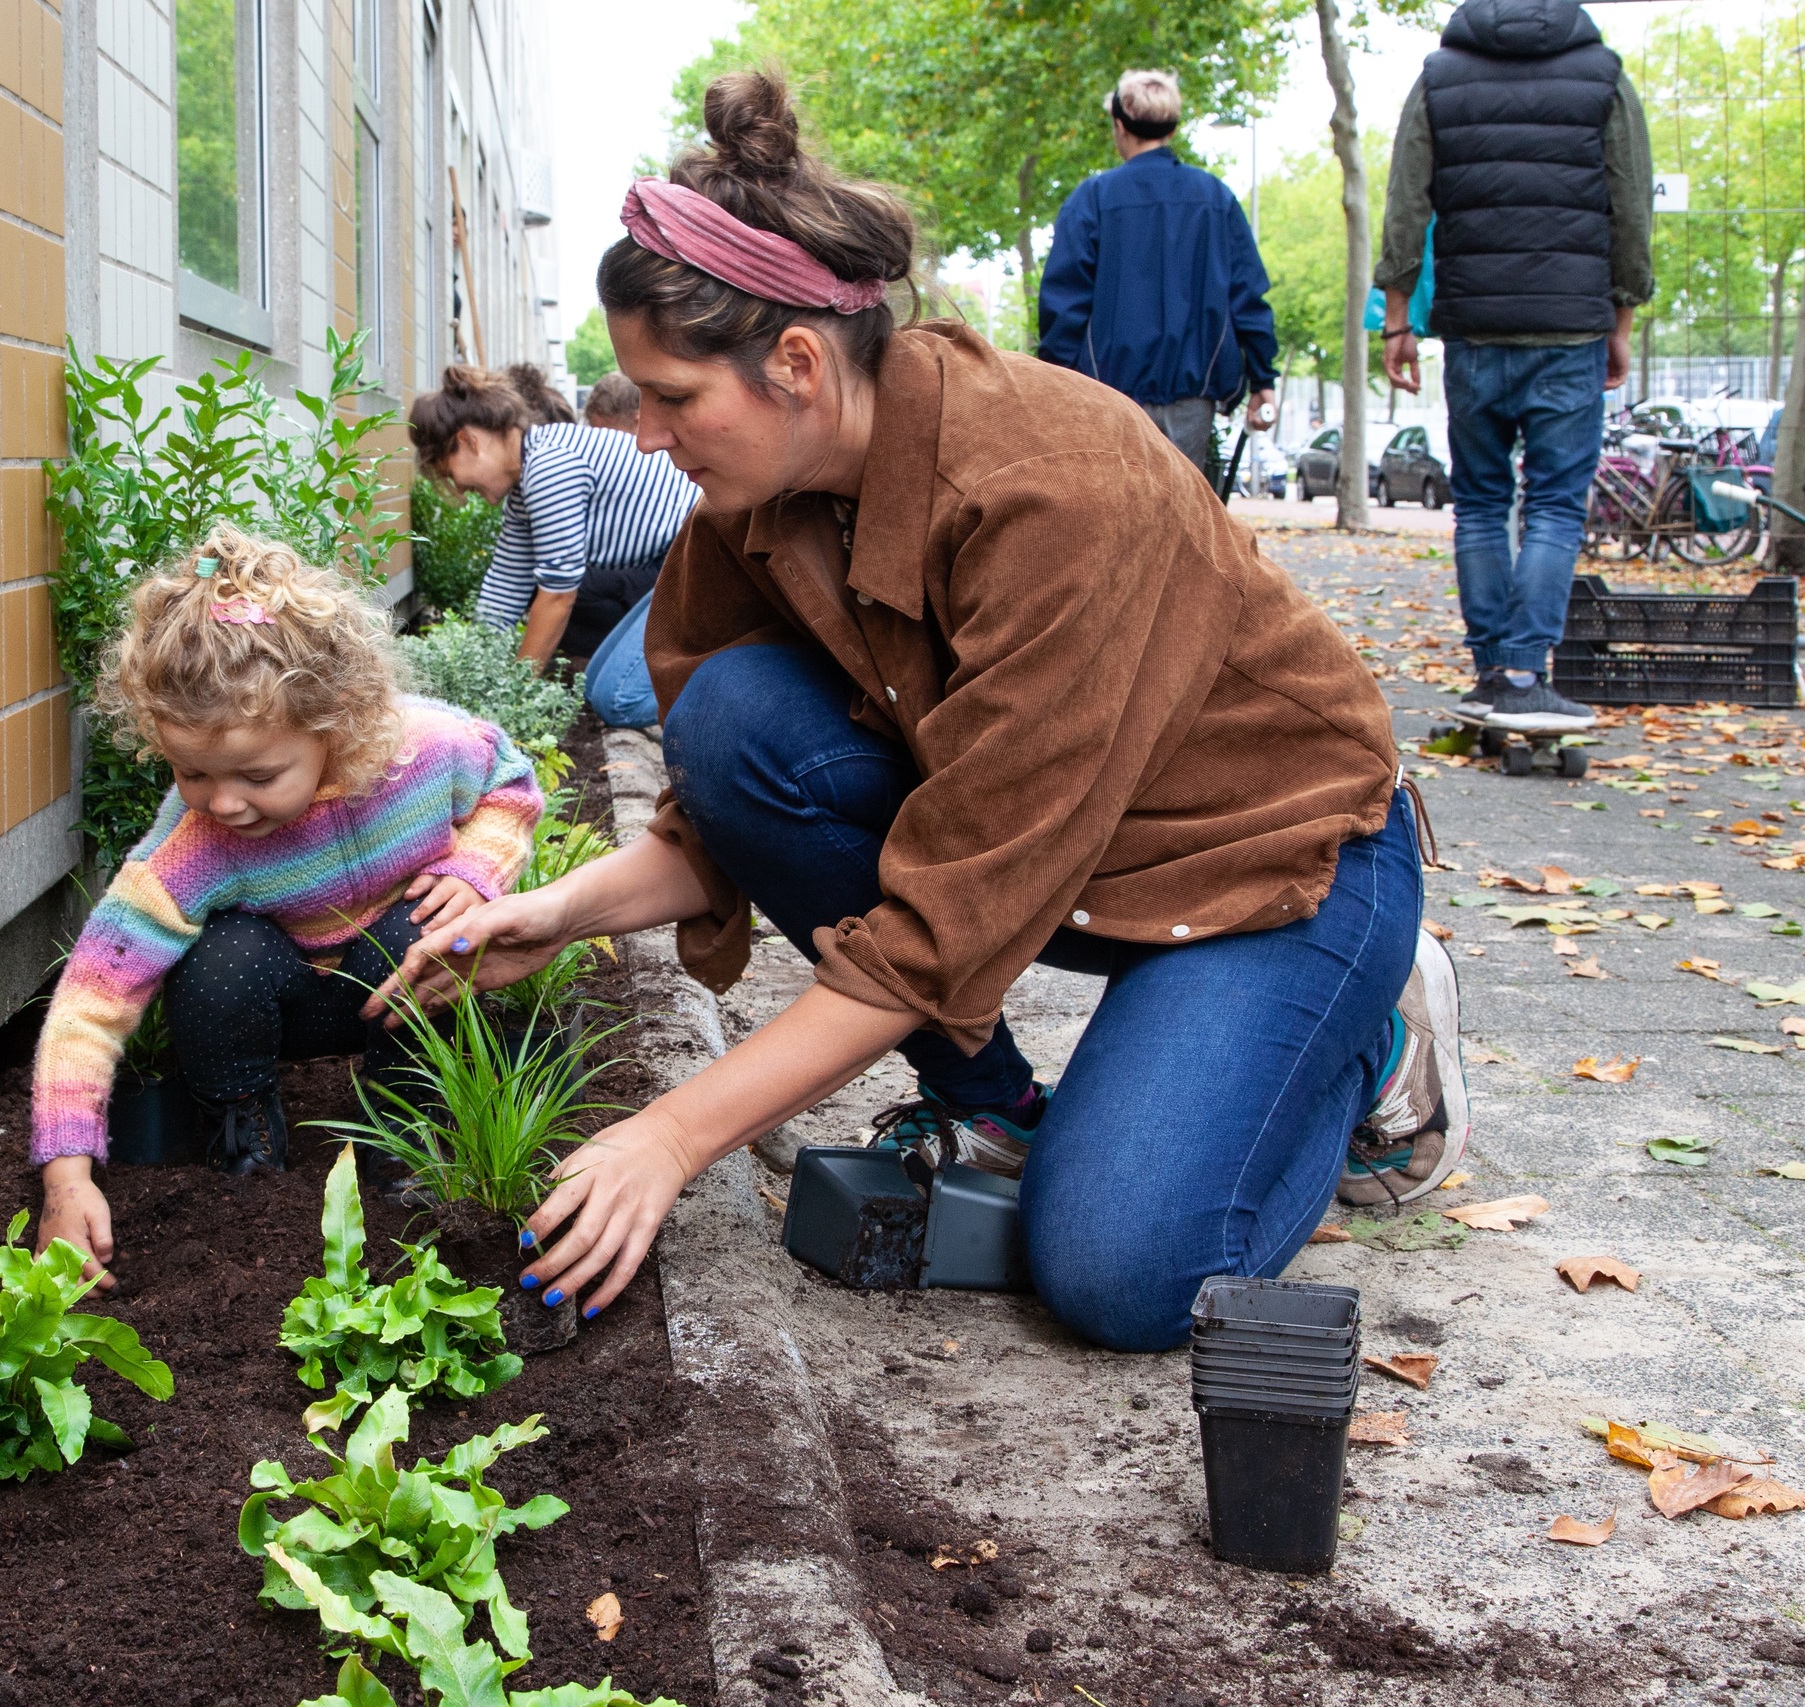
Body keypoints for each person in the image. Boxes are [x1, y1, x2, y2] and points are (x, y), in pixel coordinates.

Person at [372, 71, 1470, 1354]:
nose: (647, 438)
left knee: (1122, 1274)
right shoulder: (752, 496)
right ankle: (1000, 1108)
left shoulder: (1054, 490)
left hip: (1273, 867)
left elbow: (949, 917)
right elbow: (725, 809)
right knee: (730, 718)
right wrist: (555, 917)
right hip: (1064, 864)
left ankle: (1365, 1039)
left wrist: (670, 1133)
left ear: (793, 363)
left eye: (673, 399)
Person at [28, 526, 543, 1281]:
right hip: (276, 1000)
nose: (225, 802)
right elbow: (94, 994)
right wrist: (66, 1179)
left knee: (431, 923)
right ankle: (246, 1140)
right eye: (192, 772)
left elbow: (510, 784)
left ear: (333, 720)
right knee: (216, 954)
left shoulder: (424, 751)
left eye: (258, 775)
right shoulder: (195, 839)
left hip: (394, 976)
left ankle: (404, 1128)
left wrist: (477, 867)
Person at [1380, 0, 1652, 735]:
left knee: (1478, 501)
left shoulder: (1439, 77)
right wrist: (1622, 318)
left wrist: (1398, 317)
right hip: (1571, 327)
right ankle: (1528, 673)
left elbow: (1407, 200)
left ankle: (1492, 671)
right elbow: (1630, 206)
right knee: (1556, 503)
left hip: (1473, 328)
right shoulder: (1604, 76)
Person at [408, 365, 698, 730]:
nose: (461, 490)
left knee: (618, 699)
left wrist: (512, 700)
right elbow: (504, 587)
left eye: (451, 474)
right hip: (669, 561)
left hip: (702, 554)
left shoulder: (548, 467)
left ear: (468, 441)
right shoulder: (526, 479)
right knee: (593, 683)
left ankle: (722, 680)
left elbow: (558, 595)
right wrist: (474, 669)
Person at [1036, 69, 1279, 479]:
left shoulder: (1093, 200)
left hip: (1107, 397)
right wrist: (1262, 379)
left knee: (1115, 517)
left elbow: (1063, 305)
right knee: (1182, 520)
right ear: (1173, 128)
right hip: (1193, 396)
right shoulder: (1215, 199)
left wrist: (1053, 386)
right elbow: (1246, 294)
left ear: (1119, 126)